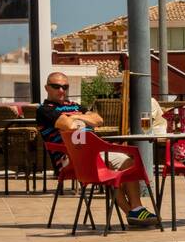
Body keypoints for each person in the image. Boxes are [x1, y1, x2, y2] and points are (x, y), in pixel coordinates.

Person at [35, 73, 157, 227]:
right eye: (56, 86)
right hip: (70, 158)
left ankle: (135, 211)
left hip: (93, 153)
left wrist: (73, 116)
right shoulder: (44, 110)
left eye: (65, 87)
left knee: (125, 163)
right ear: (47, 88)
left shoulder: (75, 105)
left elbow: (98, 120)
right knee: (123, 162)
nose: (61, 90)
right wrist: (80, 118)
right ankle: (135, 210)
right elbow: (68, 126)